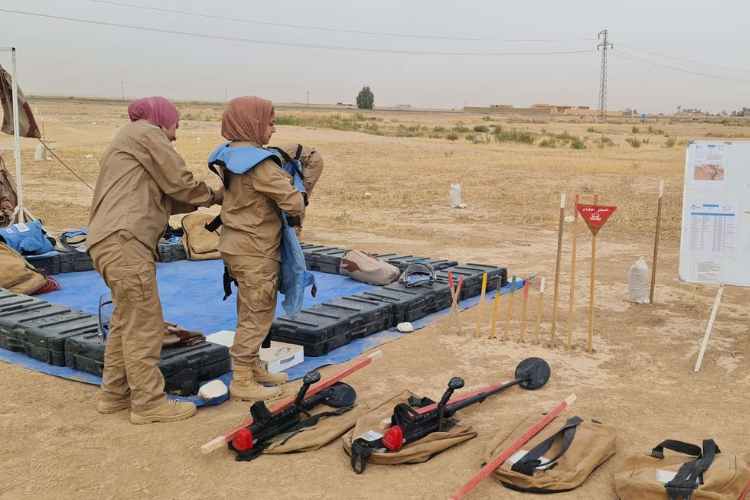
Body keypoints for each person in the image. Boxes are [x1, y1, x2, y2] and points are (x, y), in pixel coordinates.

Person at [87, 97, 223, 424]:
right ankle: (148, 402)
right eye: (175, 126)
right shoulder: (147, 133)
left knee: (126, 321)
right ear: (162, 119)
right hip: (124, 242)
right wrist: (218, 194)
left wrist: (201, 200)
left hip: (110, 241)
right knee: (145, 325)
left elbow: (168, 198)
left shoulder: (130, 140)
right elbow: (180, 182)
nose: (174, 136)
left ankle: (113, 394)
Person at [215, 97, 305, 401]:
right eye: (270, 122)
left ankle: (252, 367)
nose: (274, 129)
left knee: (249, 307)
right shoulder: (260, 164)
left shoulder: (229, 156)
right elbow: (292, 201)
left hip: (236, 245)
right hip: (255, 248)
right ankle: (241, 378)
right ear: (252, 123)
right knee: (258, 313)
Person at [271, 143, 324, 238]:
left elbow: (284, 179)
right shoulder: (269, 156)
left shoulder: (272, 161)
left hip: (312, 161)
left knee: (300, 195)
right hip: (301, 162)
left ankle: (296, 229)